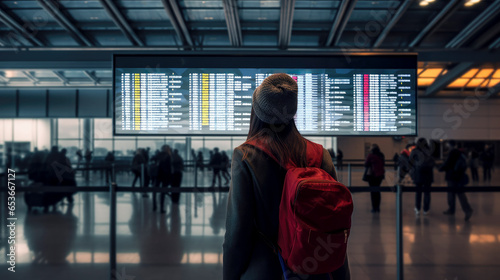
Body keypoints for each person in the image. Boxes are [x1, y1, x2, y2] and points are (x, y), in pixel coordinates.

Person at [223, 73, 349, 279]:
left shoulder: (246, 156)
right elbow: (334, 222)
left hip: (266, 270)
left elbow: (237, 235)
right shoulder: (320, 154)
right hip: (315, 270)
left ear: (256, 112)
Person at [439, 140, 473, 221]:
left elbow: (448, 164)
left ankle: (462, 210)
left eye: (447, 145)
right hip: (459, 176)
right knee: (460, 193)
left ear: (450, 145)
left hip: (452, 176)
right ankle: (465, 209)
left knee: (452, 194)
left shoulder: (453, 152)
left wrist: (440, 168)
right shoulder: (460, 153)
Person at [409, 138, 435, 216]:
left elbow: (411, 163)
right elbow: (433, 163)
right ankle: (426, 209)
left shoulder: (414, 151)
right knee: (427, 193)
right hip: (428, 175)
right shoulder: (429, 151)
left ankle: (417, 208)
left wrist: (412, 175)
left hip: (418, 174)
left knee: (418, 193)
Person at [365, 144, 385, 213]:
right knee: (377, 191)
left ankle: (374, 207)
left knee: (373, 192)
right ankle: (378, 207)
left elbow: (366, 164)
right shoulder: (381, 155)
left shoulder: (370, 155)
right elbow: (383, 164)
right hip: (380, 175)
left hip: (372, 175)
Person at [154, 145, 172, 213]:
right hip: (165, 175)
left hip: (158, 174)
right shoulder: (168, 156)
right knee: (163, 191)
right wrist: (170, 177)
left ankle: (154, 206)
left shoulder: (159, 155)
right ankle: (161, 208)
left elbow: (152, 159)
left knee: (155, 190)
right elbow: (169, 167)